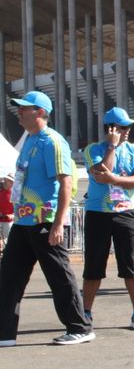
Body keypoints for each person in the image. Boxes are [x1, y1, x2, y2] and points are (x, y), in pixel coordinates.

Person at [0, 90, 94, 346]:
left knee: (59, 276)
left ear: (40, 112)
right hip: (23, 220)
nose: (19, 112)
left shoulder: (52, 141)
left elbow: (65, 183)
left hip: (45, 220)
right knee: (8, 277)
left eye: (24, 108)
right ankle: (4, 333)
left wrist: (58, 223)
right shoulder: (29, 140)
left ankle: (80, 327)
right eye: (19, 108)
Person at [81, 107, 134, 330]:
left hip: (126, 213)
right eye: (122, 127)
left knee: (131, 264)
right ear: (110, 129)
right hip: (98, 213)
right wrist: (111, 146)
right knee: (93, 266)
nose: (127, 131)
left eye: (129, 127)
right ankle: (86, 312)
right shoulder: (93, 149)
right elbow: (101, 175)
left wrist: (114, 179)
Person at [0, 172, 15, 253]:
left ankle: (7, 255)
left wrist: (11, 215)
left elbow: (18, 210)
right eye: (5, 179)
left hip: (8, 222)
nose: (5, 181)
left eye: (8, 180)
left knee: (8, 241)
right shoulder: (0, 192)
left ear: (12, 183)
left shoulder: (15, 195)